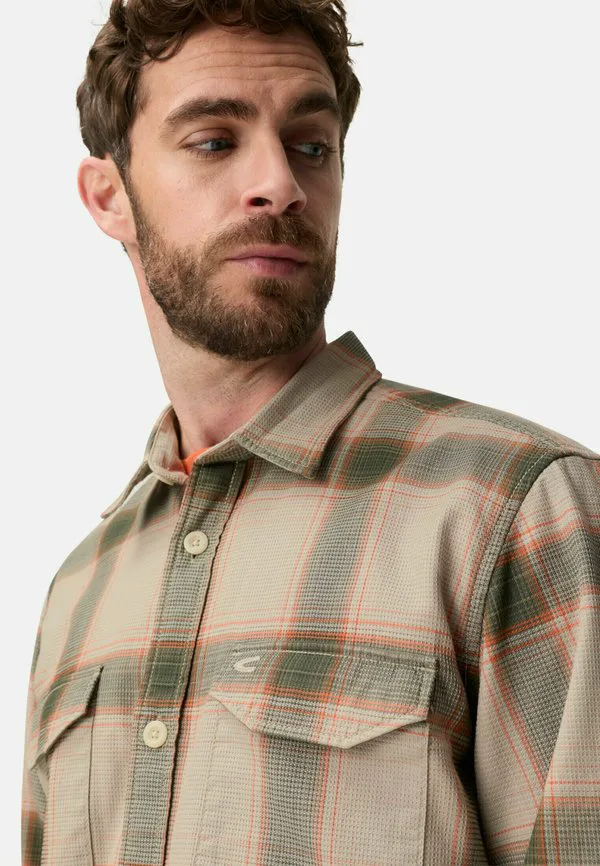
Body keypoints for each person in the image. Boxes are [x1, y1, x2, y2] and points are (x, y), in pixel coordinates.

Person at [21, 1, 600, 864]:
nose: (281, 184)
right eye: (214, 141)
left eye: (311, 146)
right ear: (109, 197)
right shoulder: (84, 588)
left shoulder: (519, 510)